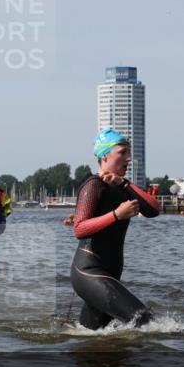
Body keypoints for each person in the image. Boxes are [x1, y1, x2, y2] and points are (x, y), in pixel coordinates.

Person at [70, 129, 161, 329]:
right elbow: (79, 229)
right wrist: (116, 215)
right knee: (145, 322)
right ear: (104, 155)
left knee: (92, 335)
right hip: (89, 272)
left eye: (129, 152)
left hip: (109, 274)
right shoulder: (93, 185)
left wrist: (124, 183)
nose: (128, 158)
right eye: (122, 152)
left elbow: (154, 210)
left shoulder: (121, 188)